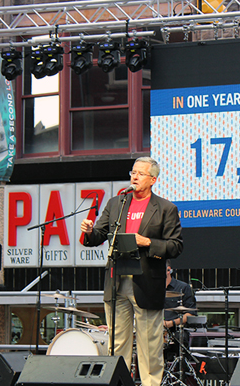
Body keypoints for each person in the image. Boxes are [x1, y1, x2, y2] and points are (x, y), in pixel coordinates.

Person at [80, 157, 183, 386]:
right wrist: (88, 231)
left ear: (153, 179)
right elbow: (97, 236)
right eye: (133, 172)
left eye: (140, 174)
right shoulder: (117, 203)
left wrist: (147, 242)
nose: (134, 177)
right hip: (117, 281)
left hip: (146, 283)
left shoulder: (166, 208)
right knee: (116, 345)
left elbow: (175, 246)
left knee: (149, 345)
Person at [163, 259, 196, 360]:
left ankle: (181, 369)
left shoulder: (183, 287)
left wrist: (170, 323)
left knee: (181, 336)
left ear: (168, 270)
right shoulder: (151, 288)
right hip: (155, 328)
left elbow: (191, 313)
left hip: (175, 329)